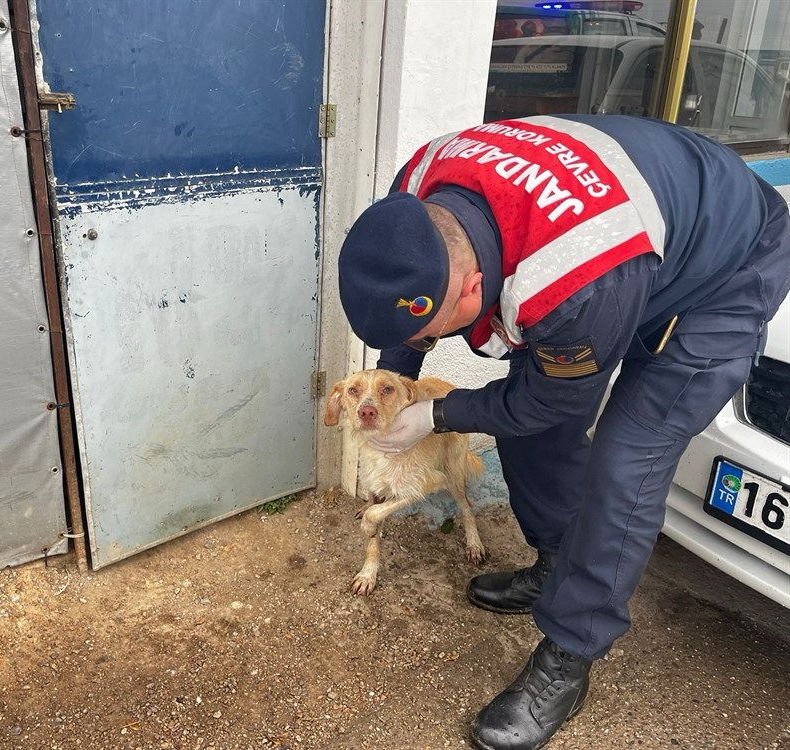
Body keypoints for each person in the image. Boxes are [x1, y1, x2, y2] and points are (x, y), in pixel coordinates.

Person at [336, 114, 790, 750]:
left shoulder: (570, 280)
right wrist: (396, 383)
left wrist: (437, 413)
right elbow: (407, 326)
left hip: (726, 262)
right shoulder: (414, 192)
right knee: (532, 430)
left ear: (473, 287)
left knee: (625, 461)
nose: (427, 343)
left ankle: (569, 656)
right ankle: (556, 564)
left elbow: (545, 399)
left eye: (435, 330)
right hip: (640, 235)